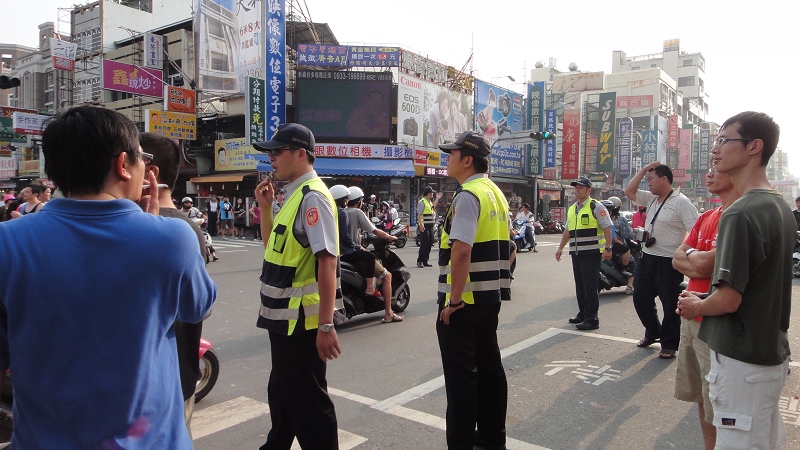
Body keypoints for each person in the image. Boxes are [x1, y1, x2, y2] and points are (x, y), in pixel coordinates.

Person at [0, 106, 216, 448]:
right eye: (141, 157)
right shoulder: (173, 239)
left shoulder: (7, 242)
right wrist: (154, 229)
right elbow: (197, 308)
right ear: (123, 165)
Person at [678, 112, 791, 449]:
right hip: (768, 354)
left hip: (742, 359)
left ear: (754, 147)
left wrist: (697, 304)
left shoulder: (741, 213)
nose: (715, 150)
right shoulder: (778, 206)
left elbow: (728, 298)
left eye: (724, 140)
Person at [252, 123, 341, 449]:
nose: (271, 158)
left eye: (277, 152)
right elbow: (272, 249)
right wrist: (265, 208)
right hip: (284, 322)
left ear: (300, 153)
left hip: (301, 324)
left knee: (309, 407)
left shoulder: (313, 197)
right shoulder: (292, 195)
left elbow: (327, 261)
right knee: (283, 397)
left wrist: (326, 324)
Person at [436, 130, 511, 450]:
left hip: (463, 302)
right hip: (488, 298)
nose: (447, 157)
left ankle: (462, 444)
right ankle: (493, 438)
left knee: (461, 380)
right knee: (490, 369)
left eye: (451, 154)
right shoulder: (494, 192)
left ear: (467, 161)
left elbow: (461, 251)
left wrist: (453, 302)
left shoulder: (467, 195)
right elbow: (511, 247)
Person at [140, 132, 210, 436]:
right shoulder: (183, 226)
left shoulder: (173, 229)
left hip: (164, 376)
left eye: (132, 159)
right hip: (166, 374)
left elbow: (195, 305)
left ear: (151, 173)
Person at [671, 167, 739, 450]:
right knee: (702, 396)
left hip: (718, 321)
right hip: (691, 316)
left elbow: (709, 264)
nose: (709, 174)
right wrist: (697, 258)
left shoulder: (739, 217)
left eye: (717, 169)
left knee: (722, 402)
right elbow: (677, 259)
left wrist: (695, 258)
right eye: (708, 168)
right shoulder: (706, 217)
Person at [624, 162, 698, 359]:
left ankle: (669, 343)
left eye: (651, 179)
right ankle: (653, 331)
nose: (648, 183)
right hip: (647, 257)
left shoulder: (681, 202)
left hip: (669, 262)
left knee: (670, 304)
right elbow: (629, 190)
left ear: (664, 179)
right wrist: (644, 169)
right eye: (647, 179)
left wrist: (686, 254)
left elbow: (695, 231)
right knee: (640, 298)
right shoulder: (652, 199)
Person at [555, 176, 613, 331]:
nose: (577, 190)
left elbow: (607, 227)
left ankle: (592, 318)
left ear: (589, 190)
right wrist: (560, 248)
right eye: (576, 187)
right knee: (580, 285)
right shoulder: (573, 208)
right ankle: (583, 313)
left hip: (591, 252)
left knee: (590, 285)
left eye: (581, 187)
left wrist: (608, 248)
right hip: (576, 252)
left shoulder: (596, 206)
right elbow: (567, 231)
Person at [345, 186, 401, 323]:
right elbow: (374, 230)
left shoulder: (340, 212)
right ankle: (388, 313)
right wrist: (389, 237)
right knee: (387, 276)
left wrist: (360, 240)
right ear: (359, 201)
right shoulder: (357, 213)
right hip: (353, 252)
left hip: (342, 253)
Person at [606, 196, 635, 293]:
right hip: (615, 246)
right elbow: (628, 234)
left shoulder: (603, 218)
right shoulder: (621, 220)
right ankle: (629, 284)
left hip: (604, 245)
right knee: (632, 262)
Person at [417, 186, 443, 268]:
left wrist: (437, 198)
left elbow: (433, 206)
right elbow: (419, 215)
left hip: (431, 225)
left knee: (429, 242)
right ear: (428, 193)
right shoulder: (422, 202)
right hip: (424, 226)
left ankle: (425, 260)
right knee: (424, 243)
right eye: (432, 193)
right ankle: (420, 260)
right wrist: (421, 225)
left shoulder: (429, 202)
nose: (433, 194)